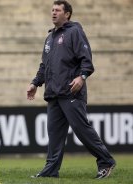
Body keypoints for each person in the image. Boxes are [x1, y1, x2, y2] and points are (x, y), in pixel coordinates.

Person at [27, 0, 116, 179]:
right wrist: (35, 83)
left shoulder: (75, 32)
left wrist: (81, 77)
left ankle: (106, 161)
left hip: (71, 92)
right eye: (52, 10)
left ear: (67, 14)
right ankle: (51, 171)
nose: (53, 13)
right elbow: (45, 65)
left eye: (58, 10)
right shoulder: (50, 37)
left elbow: (87, 60)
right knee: (54, 135)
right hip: (53, 94)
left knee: (81, 129)